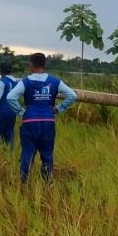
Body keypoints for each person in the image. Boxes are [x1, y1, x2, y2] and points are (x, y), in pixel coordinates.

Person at [7, 53, 77, 183]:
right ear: (45, 65)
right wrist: (59, 108)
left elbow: (10, 97)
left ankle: (24, 182)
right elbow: (72, 95)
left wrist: (21, 111)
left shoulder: (26, 81)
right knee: (47, 153)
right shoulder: (55, 81)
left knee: (27, 152)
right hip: (48, 121)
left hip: (30, 121)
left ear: (31, 65)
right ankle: (46, 183)